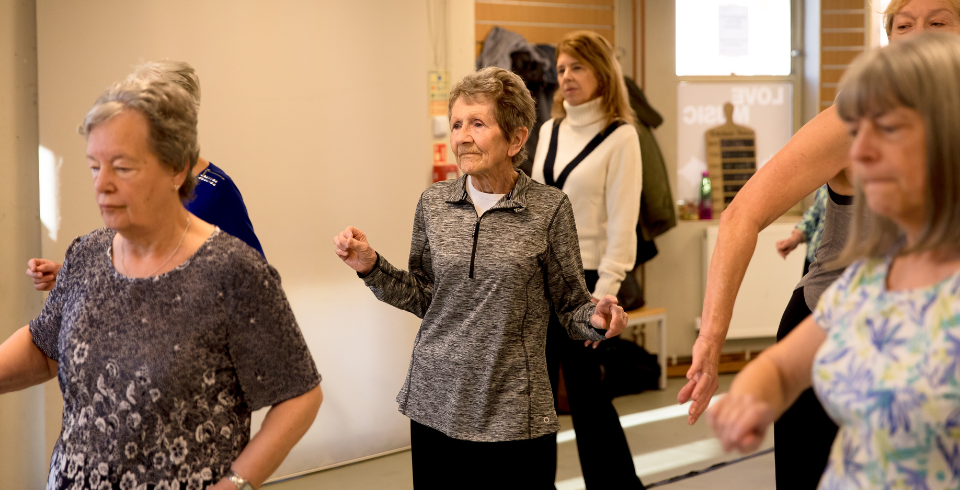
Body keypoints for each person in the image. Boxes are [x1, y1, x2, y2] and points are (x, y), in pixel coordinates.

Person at [682, 1, 960, 488]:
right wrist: (728, 364)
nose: (863, 152)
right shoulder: (866, 286)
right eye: (903, 24)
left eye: (938, 22)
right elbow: (742, 216)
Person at [6, 76, 322, 489]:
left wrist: (235, 484)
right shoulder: (85, 256)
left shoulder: (233, 271)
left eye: (122, 167)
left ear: (177, 167)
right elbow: (44, 348)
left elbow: (299, 394)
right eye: (94, 167)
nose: (101, 184)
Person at [333, 66, 628, 489]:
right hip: (435, 401)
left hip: (514, 411)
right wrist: (371, 265)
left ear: (516, 139)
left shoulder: (549, 209)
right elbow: (424, 295)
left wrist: (597, 319)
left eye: (477, 123)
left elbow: (570, 306)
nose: (462, 137)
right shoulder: (434, 203)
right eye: (456, 124)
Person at [26, 59, 263, 292]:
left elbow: (252, 281)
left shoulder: (217, 190)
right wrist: (73, 279)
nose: (103, 184)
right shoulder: (131, 187)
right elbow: (132, 265)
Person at [530, 31, 644, 489]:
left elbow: (623, 221)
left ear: (601, 72)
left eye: (577, 66)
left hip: (589, 283)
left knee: (588, 396)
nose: (566, 77)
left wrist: (606, 292)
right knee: (535, 399)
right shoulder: (549, 130)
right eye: (561, 69)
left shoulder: (622, 137)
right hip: (539, 279)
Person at [776, 184, 827, 276]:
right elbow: (815, 214)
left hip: (842, 266)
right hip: (814, 259)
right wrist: (795, 238)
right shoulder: (826, 185)